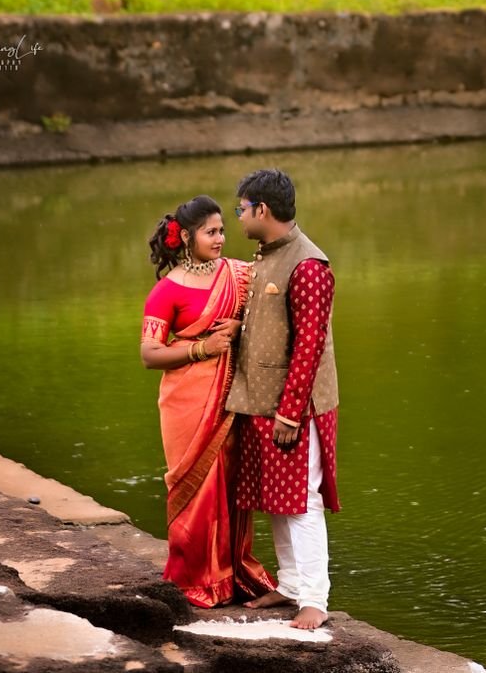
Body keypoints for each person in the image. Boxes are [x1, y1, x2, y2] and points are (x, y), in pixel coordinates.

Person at [141, 194, 276, 608]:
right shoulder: (166, 291)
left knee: (231, 483)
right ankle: (196, 577)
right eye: (210, 232)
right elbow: (150, 354)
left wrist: (240, 323)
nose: (220, 239)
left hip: (232, 400)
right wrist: (202, 349)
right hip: (187, 403)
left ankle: (232, 575)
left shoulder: (238, 274)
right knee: (197, 487)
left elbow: (271, 313)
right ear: (186, 237)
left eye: (222, 230)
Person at [226, 168, 340, 631]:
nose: (239, 218)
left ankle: (315, 597)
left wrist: (291, 413)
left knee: (302, 501)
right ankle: (290, 586)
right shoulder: (268, 255)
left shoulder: (308, 264)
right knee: (276, 500)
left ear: (262, 210)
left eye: (241, 210)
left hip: (296, 407)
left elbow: (309, 344)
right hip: (262, 400)